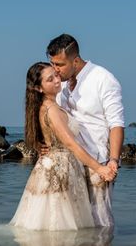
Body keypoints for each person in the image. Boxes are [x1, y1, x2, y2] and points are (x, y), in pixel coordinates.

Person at [10, 62, 116, 231]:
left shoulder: (48, 106)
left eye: (56, 75)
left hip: (58, 166)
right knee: (59, 226)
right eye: (50, 79)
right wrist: (99, 168)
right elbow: (70, 144)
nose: (57, 81)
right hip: (60, 169)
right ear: (39, 88)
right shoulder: (51, 109)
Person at [46, 34, 124, 228]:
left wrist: (113, 160)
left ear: (76, 60)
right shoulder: (60, 83)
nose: (55, 70)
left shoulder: (103, 79)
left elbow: (116, 124)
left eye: (60, 64)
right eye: (52, 64)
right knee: (75, 222)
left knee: (100, 220)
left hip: (98, 160)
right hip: (69, 162)